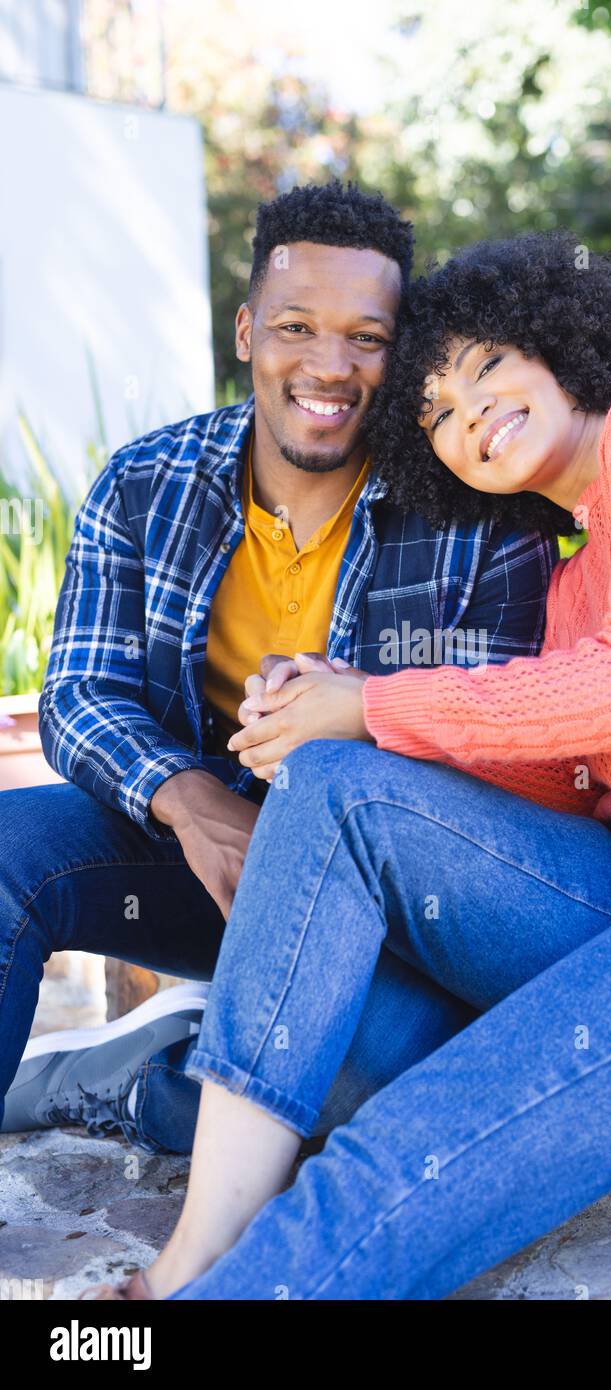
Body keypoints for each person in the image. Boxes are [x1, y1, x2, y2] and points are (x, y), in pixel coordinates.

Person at [83, 231, 611, 1301]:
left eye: (486, 367)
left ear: (558, 339)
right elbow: (570, 780)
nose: (469, 415)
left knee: (439, 1118)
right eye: (437, 415)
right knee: (332, 788)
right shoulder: (570, 582)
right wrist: (334, 716)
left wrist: (374, 702)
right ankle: (200, 1242)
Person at [0, 188, 559, 1157]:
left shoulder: (481, 518)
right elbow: (81, 693)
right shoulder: (146, 482)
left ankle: (120, 1080)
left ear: (405, 351)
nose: (329, 366)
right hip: (200, 865)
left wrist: (352, 716)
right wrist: (192, 804)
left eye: (368, 337)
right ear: (249, 329)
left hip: (371, 908)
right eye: (297, 326)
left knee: (349, 1082)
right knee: (8, 847)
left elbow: (502, 750)